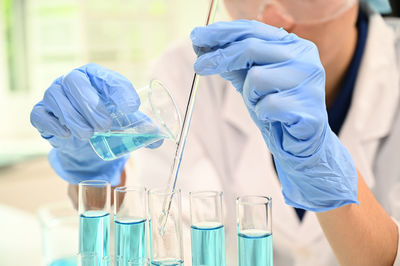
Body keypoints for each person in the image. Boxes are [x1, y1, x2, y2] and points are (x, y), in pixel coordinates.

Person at [30, 0, 400, 265]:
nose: (271, 16)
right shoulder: (187, 72)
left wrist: (322, 166)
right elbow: (154, 231)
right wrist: (95, 179)